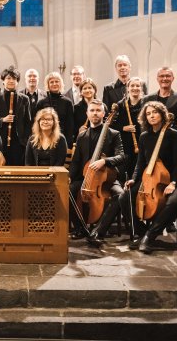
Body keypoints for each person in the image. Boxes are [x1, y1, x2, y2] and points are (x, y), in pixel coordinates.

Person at [119, 101, 177, 254]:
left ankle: (150, 235)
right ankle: (142, 232)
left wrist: (173, 182)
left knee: (172, 202)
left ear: (162, 114)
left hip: (170, 180)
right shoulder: (144, 136)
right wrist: (134, 178)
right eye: (148, 114)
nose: (151, 116)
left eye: (155, 112)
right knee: (124, 197)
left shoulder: (173, 135)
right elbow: (140, 162)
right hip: (148, 180)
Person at [69, 99, 125, 244]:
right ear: (87, 113)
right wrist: (69, 177)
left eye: (98, 110)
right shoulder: (82, 135)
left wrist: (105, 161)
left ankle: (99, 232)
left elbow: (121, 156)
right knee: (68, 190)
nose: (95, 113)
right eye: (92, 110)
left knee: (120, 195)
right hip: (86, 177)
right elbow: (76, 161)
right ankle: (80, 228)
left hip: (106, 178)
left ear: (104, 113)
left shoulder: (113, 134)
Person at [0, 66, 32, 166]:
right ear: (3, 81)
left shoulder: (24, 99)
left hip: (19, 143)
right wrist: (2, 120)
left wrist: (24, 141)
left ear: (17, 82)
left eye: (14, 79)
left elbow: (28, 122)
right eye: (8, 78)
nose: (11, 81)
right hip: (1, 141)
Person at [111, 77, 145, 180]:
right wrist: (123, 128)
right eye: (132, 86)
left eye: (138, 86)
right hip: (125, 146)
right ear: (128, 88)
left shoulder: (146, 103)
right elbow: (111, 126)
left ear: (141, 88)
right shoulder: (120, 105)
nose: (135, 88)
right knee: (124, 174)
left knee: (139, 175)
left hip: (141, 143)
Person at [143, 67, 177, 134]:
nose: (164, 78)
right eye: (161, 76)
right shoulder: (147, 99)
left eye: (168, 76)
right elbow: (144, 121)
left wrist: (165, 135)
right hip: (151, 137)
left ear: (172, 78)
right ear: (157, 79)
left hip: (171, 139)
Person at [36, 72, 75, 147]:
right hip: (44, 140)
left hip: (62, 140)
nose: (54, 84)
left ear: (61, 83)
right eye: (51, 82)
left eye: (57, 81)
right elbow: (37, 124)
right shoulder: (41, 103)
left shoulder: (68, 102)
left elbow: (70, 126)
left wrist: (68, 145)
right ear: (48, 85)